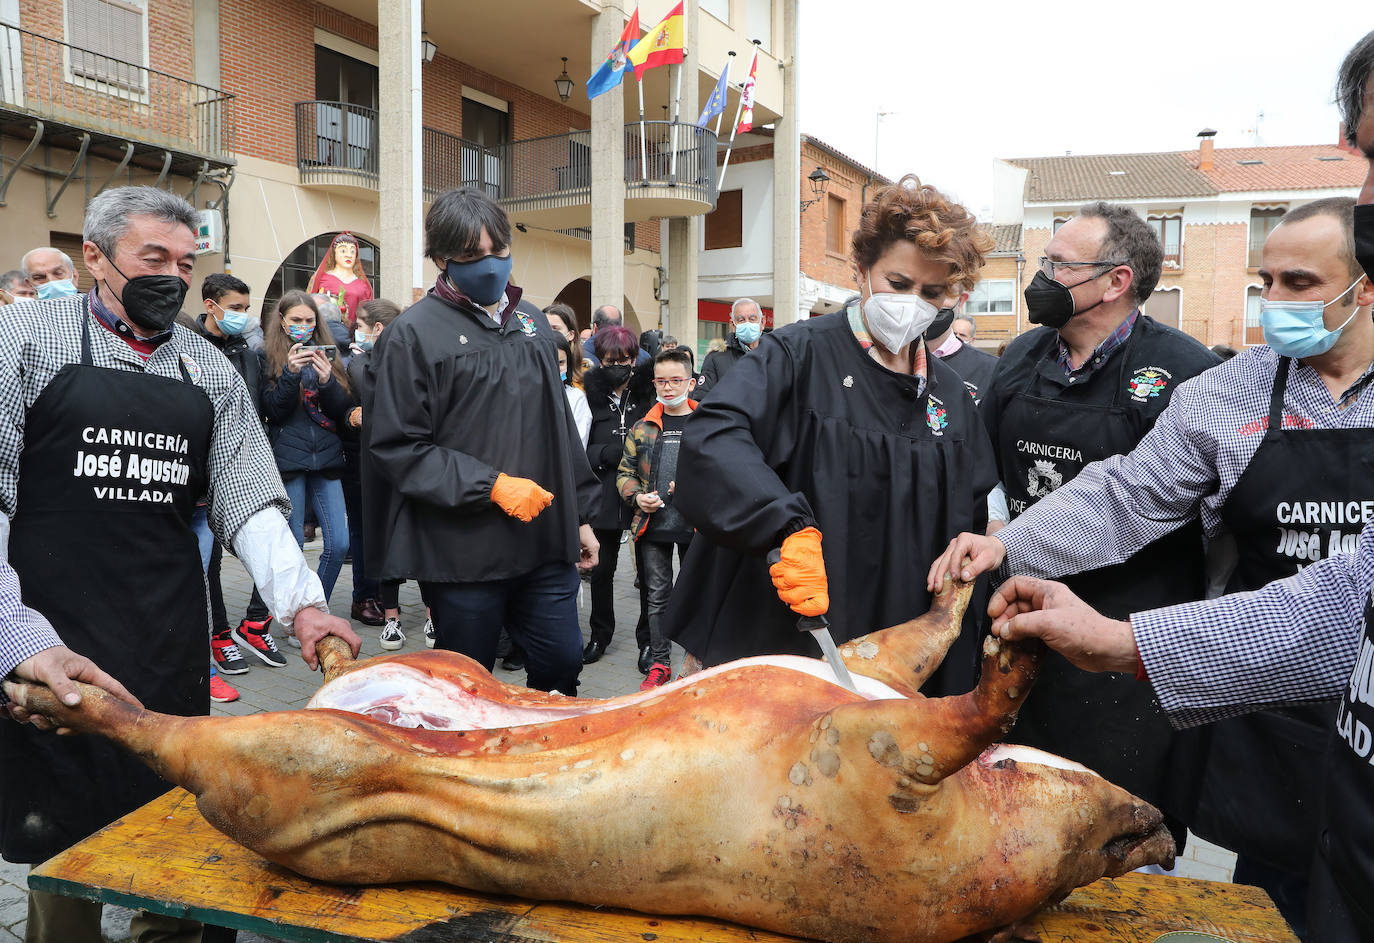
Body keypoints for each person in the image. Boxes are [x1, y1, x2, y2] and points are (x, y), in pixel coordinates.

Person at [929, 195, 1372, 935]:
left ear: (1365, 288)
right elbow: (1126, 493)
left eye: (1298, 283)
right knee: (1286, 904)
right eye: (1266, 281)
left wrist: (1128, 640)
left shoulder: (1173, 362)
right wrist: (1012, 542)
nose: (1273, 302)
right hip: (1265, 702)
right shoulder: (1228, 392)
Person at [0, 186, 359, 943]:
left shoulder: (208, 367)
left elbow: (251, 498)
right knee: (64, 871)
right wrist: (18, 639)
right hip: (50, 647)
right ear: (95, 256)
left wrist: (303, 601)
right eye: (152, 257)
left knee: (183, 858)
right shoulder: (25, 338)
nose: (173, 275)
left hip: (165, 640)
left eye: (186, 262)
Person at [931, 201, 1220, 848]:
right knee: (1017, 822)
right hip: (1020, 622)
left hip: (1124, 644)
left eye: (1058, 265)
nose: (1041, 277)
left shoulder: (1188, 372)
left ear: (1116, 281)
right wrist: (996, 520)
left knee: (1113, 838)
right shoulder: (1023, 355)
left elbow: (1176, 507)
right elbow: (983, 466)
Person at [663, 174, 998, 679]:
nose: (913, 304)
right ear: (862, 270)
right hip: (782, 632)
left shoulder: (950, 395)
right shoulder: (796, 355)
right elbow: (714, 438)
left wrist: (985, 540)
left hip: (897, 651)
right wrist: (782, 525)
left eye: (933, 293)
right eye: (899, 284)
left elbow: (977, 503)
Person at [362, 186, 599, 695]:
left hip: (545, 540)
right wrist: (489, 485)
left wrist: (579, 516)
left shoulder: (533, 322)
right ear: (442, 259)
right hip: (463, 551)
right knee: (467, 684)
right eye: (472, 256)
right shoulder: (412, 335)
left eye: (500, 251)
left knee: (561, 663)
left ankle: (541, 761)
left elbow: (558, 423)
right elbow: (397, 446)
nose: (491, 265)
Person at [189, 274, 275, 689]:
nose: (243, 316)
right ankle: (219, 636)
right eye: (236, 308)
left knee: (265, 546)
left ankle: (253, 627)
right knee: (209, 565)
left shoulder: (246, 351)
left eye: (246, 308)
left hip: (239, 468)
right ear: (211, 305)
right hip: (198, 476)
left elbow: (257, 406)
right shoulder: (186, 346)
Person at [261, 290, 353, 626]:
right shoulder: (267, 354)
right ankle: (296, 616)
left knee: (339, 543)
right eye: (296, 320)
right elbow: (273, 410)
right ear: (283, 322)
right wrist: (289, 374)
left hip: (327, 458)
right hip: (289, 460)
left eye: (309, 320)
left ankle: (317, 613)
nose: (303, 326)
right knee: (294, 545)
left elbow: (343, 410)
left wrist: (328, 381)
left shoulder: (329, 355)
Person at [617, 347, 698, 689]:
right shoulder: (643, 426)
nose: (667, 388)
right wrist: (637, 496)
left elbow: (724, 469)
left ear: (690, 383)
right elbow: (624, 472)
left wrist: (694, 484)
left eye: (675, 380)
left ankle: (696, 660)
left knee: (696, 593)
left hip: (696, 526)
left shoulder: (708, 423)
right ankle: (660, 662)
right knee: (657, 597)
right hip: (652, 526)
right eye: (661, 381)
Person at [581, 325, 654, 665]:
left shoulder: (646, 395)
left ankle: (649, 640)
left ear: (634, 358)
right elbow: (580, 445)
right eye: (610, 359)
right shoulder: (590, 395)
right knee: (602, 569)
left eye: (625, 359)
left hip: (641, 491)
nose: (618, 365)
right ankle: (600, 635)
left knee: (651, 572)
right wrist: (603, 454)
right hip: (604, 493)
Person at [925, 299, 999, 404]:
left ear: (972, 340)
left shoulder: (990, 367)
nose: (957, 337)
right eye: (955, 333)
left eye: (962, 335)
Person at [308, 232, 374, 326]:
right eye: (343, 251)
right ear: (334, 253)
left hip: (353, 334)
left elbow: (367, 313)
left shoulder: (363, 285)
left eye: (352, 251)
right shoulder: (322, 279)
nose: (348, 255)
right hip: (326, 330)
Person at [699, 297, 762, 392]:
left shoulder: (776, 353)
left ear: (762, 323)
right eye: (741, 320)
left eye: (752, 319)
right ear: (733, 325)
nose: (747, 324)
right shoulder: (716, 358)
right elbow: (702, 398)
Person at [543, 301, 585, 386]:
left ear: (571, 334)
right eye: (545, 327)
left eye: (555, 329)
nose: (550, 333)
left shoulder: (585, 374)